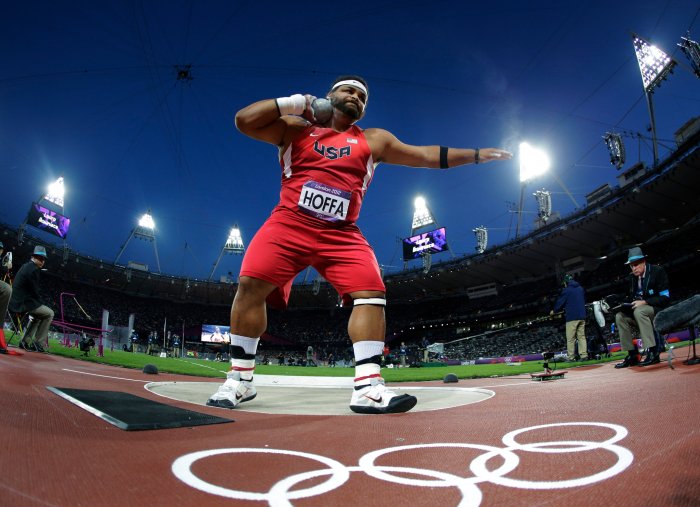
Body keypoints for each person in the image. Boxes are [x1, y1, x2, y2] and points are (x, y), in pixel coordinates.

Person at [206, 75, 512, 414]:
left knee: (372, 293)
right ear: (328, 96)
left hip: (341, 232)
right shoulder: (295, 128)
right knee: (250, 285)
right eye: (348, 90)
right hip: (290, 222)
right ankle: (240, 380)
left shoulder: (373, 140)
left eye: (362, 97)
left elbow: (423, 155)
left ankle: (367, 386)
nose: (356, 97)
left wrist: (476, 155)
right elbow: (244, 121)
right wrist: (298, 102)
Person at [614, 247, 671, 368]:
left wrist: (644, 302)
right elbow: (632, 298)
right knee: (620, 316)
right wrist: (623, 305)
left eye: (636, 264)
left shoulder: (657, 271)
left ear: (644, 262)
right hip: (639, 312)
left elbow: (665, 298)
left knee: (640, 311)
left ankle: (653, 352)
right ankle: (632, 355)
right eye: (631, 266)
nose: (634, 268)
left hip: (657, 311)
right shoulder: (633, 278)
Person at [8, 246, 54, 352]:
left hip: (17, 301)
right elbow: (35, 292)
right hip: (21, 304)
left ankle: (25, 341)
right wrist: (41, 303)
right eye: (40, 258)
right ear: (33, 257)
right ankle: (38, 344)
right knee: (50, 313)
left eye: (43, 259)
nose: (42, 261)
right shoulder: (33, 270)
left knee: (38, 316)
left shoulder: (27, 266)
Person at [552, 274, 587, 361]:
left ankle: (571, 357)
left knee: (571, 339)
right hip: (582, 316)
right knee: (581, 337)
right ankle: (584, 356)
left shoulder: (567, 290)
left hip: (572, 317)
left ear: (566, 282)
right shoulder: (580, 288)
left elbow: (560, 302)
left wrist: (554, 311)